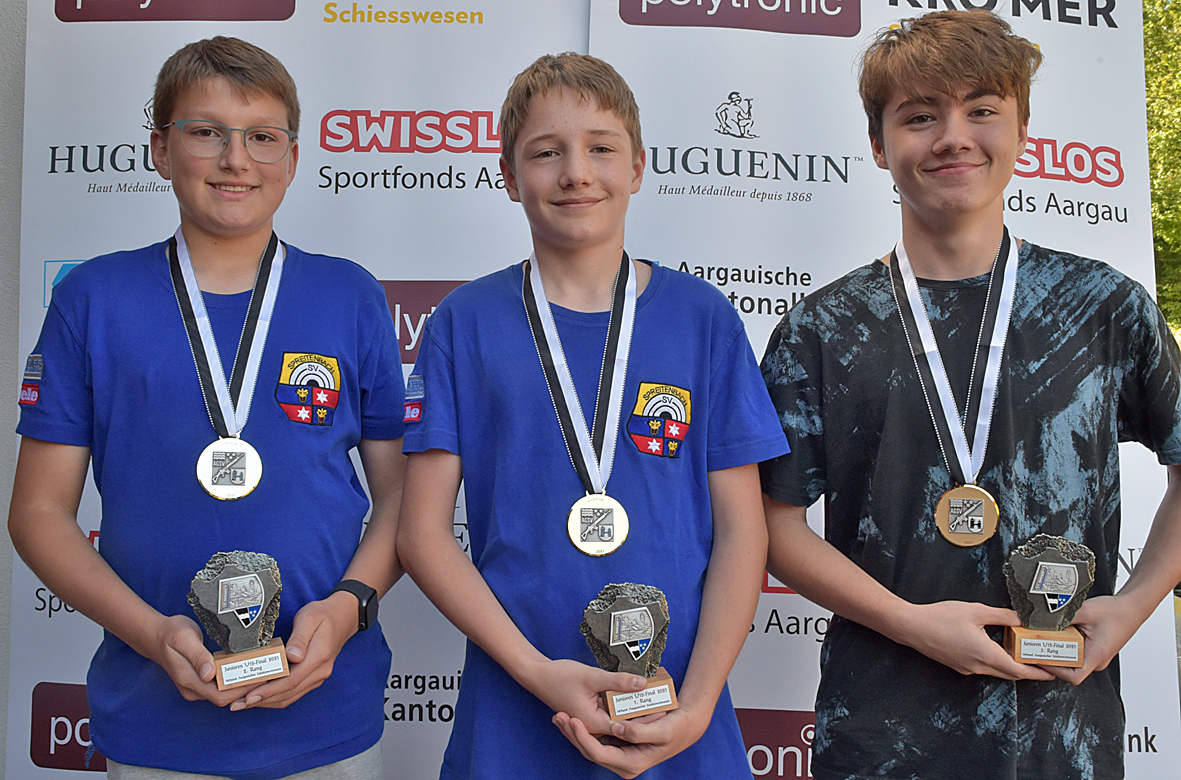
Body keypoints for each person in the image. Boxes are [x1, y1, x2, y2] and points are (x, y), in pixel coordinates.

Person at [759, 10, 1181, 779]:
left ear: (1021, 131)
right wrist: (908, 623)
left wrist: (1134, 604)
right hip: (880, 738)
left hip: (1061, 739)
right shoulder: (821, 328)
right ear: (878, 145)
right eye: (920, 116)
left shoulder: (1103, 307)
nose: (953, 137)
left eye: (981, 109)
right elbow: (770, 523)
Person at [8, 37, 405, 780]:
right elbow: (38, 513)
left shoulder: (350, 295)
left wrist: (349, 606)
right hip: (154, 720)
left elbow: (401, 498)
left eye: (261, 136)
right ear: (160, 150)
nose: (235, 159)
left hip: (329, 712)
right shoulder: (92, 300)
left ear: (292, 156)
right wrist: (151, 634)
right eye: (206, 132)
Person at [396, 52, 788, 779]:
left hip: (680, 716)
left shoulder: (702, 319)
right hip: (516, 711)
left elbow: (743, 531)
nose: (576, 173)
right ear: (508, 175)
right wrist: (537, 672)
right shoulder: (464, 322)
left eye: (600, 149)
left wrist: (699, 705)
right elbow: (422, 534)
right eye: (547, 153)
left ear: (636, 167)